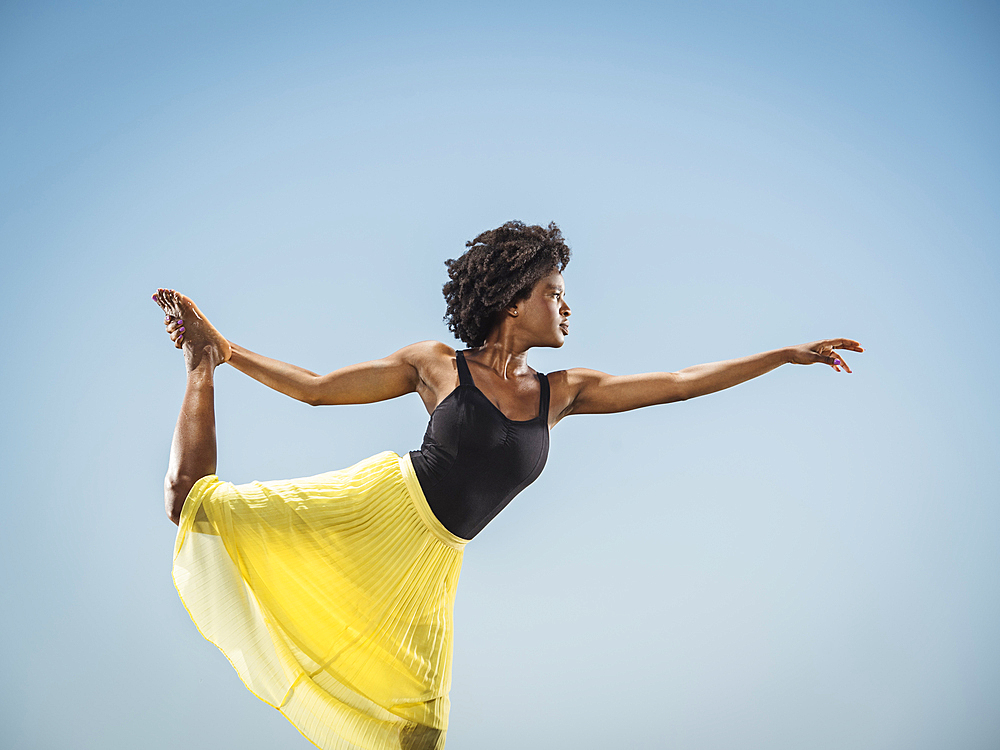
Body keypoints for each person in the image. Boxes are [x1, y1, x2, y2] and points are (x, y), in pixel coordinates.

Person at [154, 220, 862, 750]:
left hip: (431, 564)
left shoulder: (564, 392)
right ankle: (198, 369)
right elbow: (315, 390)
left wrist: (782, 355)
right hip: (379, 508)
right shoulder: (435, 364)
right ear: (513, 302)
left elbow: (678, 385)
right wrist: (225, 351)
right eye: (555, 293)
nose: (567, 308)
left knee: (418, 731)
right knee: (194, 505)